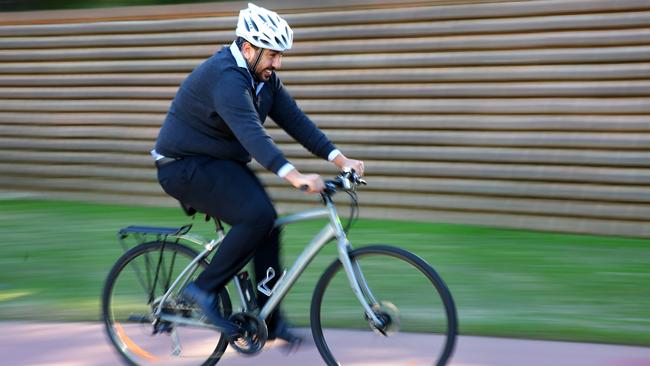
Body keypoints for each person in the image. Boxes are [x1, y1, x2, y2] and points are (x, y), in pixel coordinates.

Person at [151, 3, 364, 345]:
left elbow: (297, 122)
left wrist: (340, 159)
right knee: (256, 216)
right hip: (182, 165)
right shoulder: (226, 77)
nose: (277, 64)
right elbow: (252, 133)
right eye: (272, 55)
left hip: (217, 162)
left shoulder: (263, 79)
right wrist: (293, 175)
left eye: (280, 56)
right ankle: (202, 290)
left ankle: (270, 318)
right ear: (248, 48)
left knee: (268, 224)